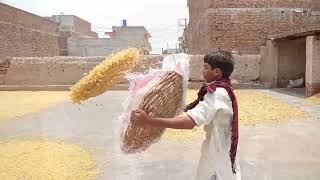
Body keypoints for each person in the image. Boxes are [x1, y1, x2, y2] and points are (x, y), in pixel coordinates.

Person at [131, 50, 241, 180]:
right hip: (221, 145)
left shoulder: (217, 94)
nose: (203, 71)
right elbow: (201, 107)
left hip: (218, 150)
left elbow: (189, 123)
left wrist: (148, 120)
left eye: (205, 67)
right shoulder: (224, 89)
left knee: (217, 175)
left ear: (216, 72)